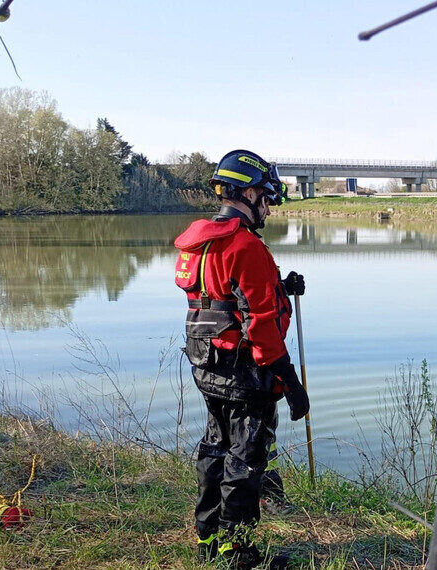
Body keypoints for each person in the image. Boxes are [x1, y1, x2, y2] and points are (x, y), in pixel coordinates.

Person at [172, 149, 309, 569]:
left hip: (206, 363)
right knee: (245, 460)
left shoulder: (201, 241)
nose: (268, 208)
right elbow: (261, 326)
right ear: (248, 193)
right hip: (245, 371)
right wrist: (290, 383)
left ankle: (209, 541)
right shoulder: (246, 244)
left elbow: (221, 296)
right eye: (266, 198)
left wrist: (279, 285)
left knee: (216, 448)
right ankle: (239, 552)